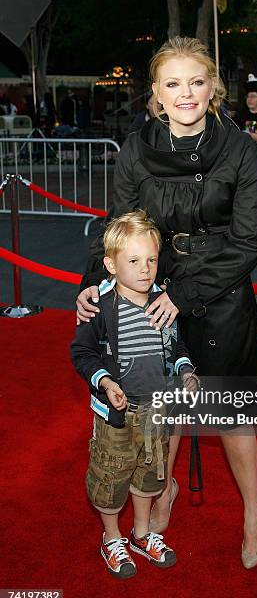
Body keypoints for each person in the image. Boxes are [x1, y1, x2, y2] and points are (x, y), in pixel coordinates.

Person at [76, 36, 257, 569]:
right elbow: (120, 224)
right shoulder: (137, 147)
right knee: (167, 405)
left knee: (229, 411)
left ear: (214, 88)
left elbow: (250, 242)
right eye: (172, 84)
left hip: (221, 288)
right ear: (156, 94)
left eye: (197, 82)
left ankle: (253, 511)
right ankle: (164, 489)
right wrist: (97, 278)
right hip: (153, 283)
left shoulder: (241, 149)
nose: (186, 93)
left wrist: (184, 296)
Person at [71, 210, 199, 578]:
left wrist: (186, 371)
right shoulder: (99, 305)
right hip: (115, 413)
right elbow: (82, 353)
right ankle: (112, 537)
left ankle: (142, 532)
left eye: (151, 260)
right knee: (112, 473)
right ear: (110, 263)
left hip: (156, 409)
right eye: (133, 261)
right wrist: (106, 383)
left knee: (150, 473)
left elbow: (177, 348)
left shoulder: (163, 301)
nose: (145, 269)